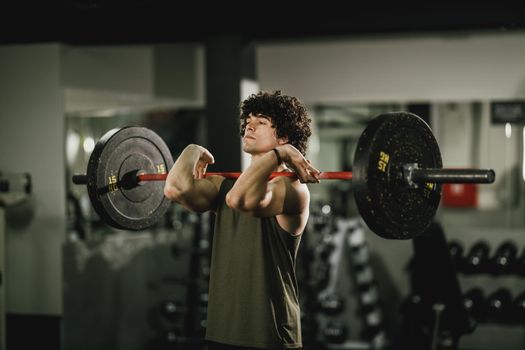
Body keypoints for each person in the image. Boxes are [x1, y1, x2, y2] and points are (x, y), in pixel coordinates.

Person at [164, 90, 320, 349]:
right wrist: (193, 149)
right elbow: (174, 188)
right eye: (248, 120)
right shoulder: (225, 185)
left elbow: (240, 200)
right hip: (221, 331)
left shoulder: (292, 189)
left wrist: (280, 155)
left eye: (261, 122)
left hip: (270, 334)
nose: (250, 124)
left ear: (284, 136)